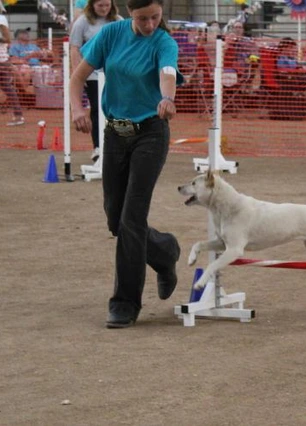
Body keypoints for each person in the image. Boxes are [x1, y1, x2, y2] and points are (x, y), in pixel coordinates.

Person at [70, 0, 184, 329]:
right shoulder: (110, 35)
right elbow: (78, 77)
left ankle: (124, 302)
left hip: (151, 132)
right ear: (129, 13)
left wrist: (168, 98)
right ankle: (164, 251)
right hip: (116, 134)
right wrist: (79, 109)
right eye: (143, 19)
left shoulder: (164, 41)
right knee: (115, 219)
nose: (150, 25)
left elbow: (167, 72)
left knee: (132, 217)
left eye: (155, 17)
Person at [70, 0, 122, 162]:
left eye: (107, 5)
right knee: (97, 109)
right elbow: (74, 48)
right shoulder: (82, 22)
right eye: (100, 5)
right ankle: (98, 147)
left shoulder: (118, 20)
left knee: (117, 109)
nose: (104, 9)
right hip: (92, 74)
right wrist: (77, 73)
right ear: (92, 5)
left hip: (113, 73)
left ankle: (119, 145)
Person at [8, 28, 53, 97]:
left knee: (46, 67)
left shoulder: (34, 46)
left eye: (27, 33)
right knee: (30, 69)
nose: (27, 34)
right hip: (24, 67)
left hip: (36, 66)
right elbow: (14, 60)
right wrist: (29, 57)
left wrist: (45, 54)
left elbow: (45, 59)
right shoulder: (14, 47)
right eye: (24, 33)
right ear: (18, 36)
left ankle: (46, 92)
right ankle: (36, 93)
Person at [0, 3, 24, 126]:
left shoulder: (1, 19)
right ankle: (18, 115)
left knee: (8, 88)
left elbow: (7, 39)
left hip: (2, 60)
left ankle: (18, 115)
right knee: (7, 88)